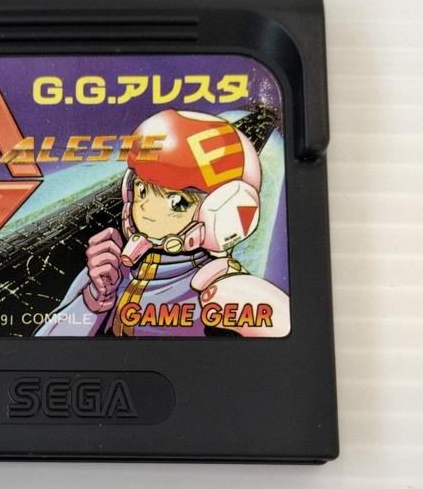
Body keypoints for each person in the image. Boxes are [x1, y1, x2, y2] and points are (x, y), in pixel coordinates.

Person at [35, 108, 290, 338]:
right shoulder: (111, 270)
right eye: (142, 190)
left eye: (178, 202)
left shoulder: (218, 287)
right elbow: (47, 346)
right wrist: (94, 300)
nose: (146, 208)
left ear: (220, 214)